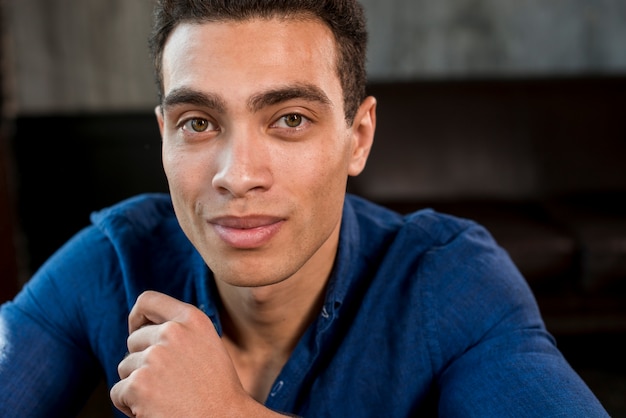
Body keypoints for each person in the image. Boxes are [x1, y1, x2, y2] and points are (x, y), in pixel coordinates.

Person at [0, 0, 610, 416]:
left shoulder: (449, 281)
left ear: (359, 137)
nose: (237, 176)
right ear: (163, 135)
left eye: (290, 119)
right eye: (198, 122)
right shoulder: (114, 261)